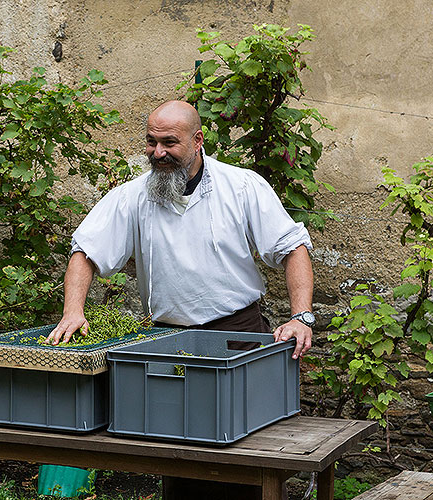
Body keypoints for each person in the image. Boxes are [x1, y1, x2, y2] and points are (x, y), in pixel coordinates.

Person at [47, 100, 315, 500]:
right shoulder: (134, 196)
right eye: (151, 143)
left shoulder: (241, 187)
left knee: (246, 459)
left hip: (237, 339)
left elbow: (293, 247)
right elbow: (84, 251)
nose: (158, 153)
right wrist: (73, 311)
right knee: (180, 459)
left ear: (198, 139)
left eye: (169, 142)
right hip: (169, 346)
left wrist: (301, 317)